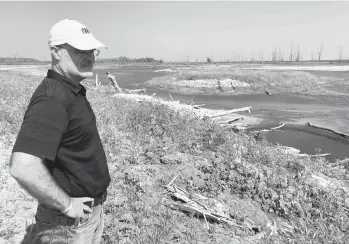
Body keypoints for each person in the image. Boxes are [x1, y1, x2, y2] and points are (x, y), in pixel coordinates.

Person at [9, 19, 111, 244]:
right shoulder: (52, 99)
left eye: (92, 50)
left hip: (86, 216)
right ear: (56, 52)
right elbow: (23, 167)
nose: (89, 56)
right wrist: (67, 205)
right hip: (67, 226)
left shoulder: (69, 89)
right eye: (79, 50)